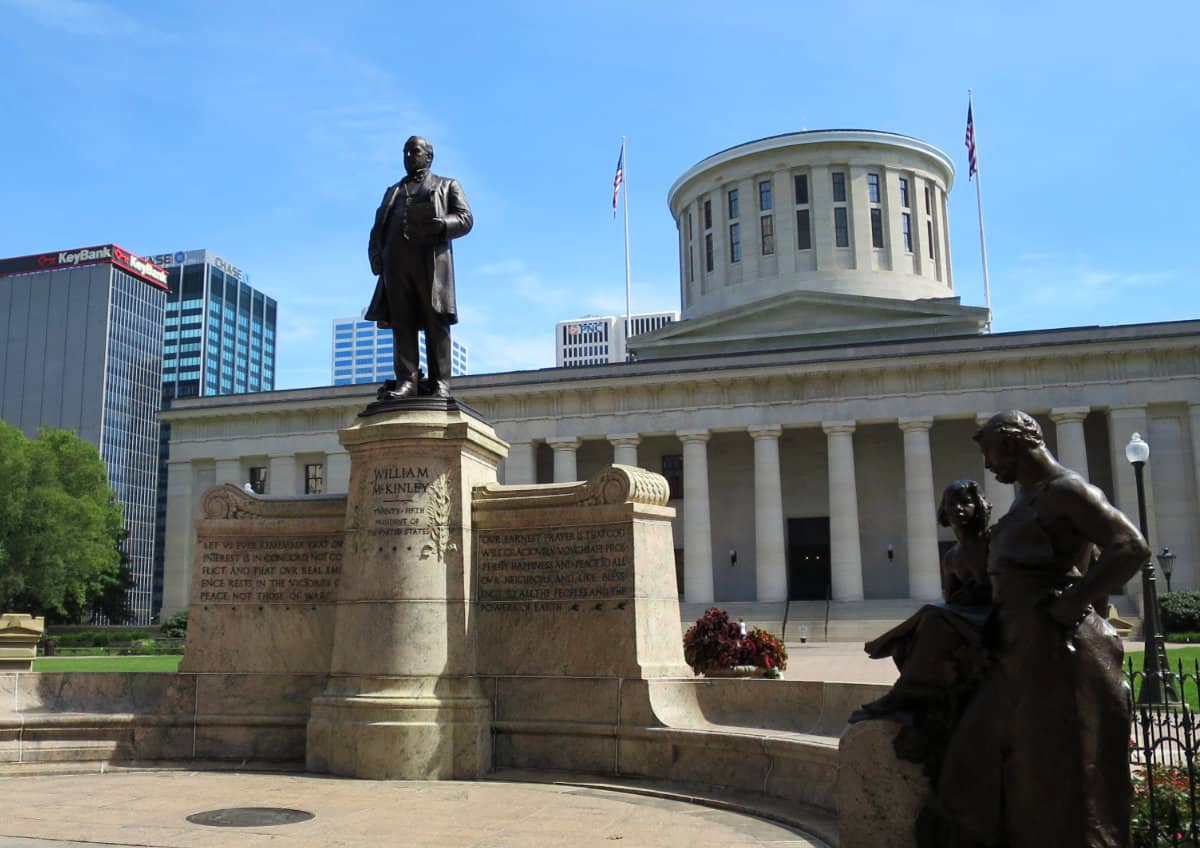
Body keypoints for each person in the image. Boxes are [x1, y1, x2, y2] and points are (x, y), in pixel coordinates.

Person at [927, 410, 1147, 848]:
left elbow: (1130, 547)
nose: (988, 466)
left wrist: (1073, 601)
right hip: (1018, 651)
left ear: (1011, 444)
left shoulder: (1065, 489)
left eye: (989, 453)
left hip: (1061, 656)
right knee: (994, 770)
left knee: (1063, 780)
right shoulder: (1024, 498)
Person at [851, 480, 992, 768]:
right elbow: (952, 599)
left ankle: (901, 689)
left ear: (979, 506)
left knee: (933, 616)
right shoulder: (952, 557)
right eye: (952, 504)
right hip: (969, 619)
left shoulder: (995, 542)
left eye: (966, 502)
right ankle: (905, 676)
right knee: (929, 623)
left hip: (996, 616)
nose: (959, 509)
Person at [366, 136, 472, 399]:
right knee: (402, 324)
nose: (409, 156)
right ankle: (407, 382)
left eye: (415, 151)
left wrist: (443, 224)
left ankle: (441, 383)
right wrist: (377, 255)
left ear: (429, 157)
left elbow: (466, 218)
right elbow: (377, 226)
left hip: (430, 263)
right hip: (395, 266)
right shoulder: (392, 191)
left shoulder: (446, 185)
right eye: (405, 152)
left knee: (435, 322)